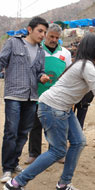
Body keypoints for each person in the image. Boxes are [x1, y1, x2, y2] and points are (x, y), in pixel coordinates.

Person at [3, 33, 95, 190]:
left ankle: (64, 183)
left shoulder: (88, 65)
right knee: (58, 151)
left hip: (62, 107)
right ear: (92, 48)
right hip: (53, 107)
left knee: (78, 142)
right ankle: (16, 183)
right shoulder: (86, 66)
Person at [0, 16, 49, 183]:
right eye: (40, 31)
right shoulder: (13, 43)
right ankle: (6, 168)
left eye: (44, 32)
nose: (43, 34)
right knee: (11, 132)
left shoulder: (41, 51)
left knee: (22, 133)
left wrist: (42, 76)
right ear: (30, 29)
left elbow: (39, 71)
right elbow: (1, 61)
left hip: (31, 97)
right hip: (14, 94)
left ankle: (13, 163)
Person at [25, 23, 72, 166]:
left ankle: (57, 152)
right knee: (35, 126)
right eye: (51, 36)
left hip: (57, 98)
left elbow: (69, 73)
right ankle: (34, 154)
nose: (54, 39)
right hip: (36, 94)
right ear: (45, 35)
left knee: (57, 126)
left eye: (57, 37)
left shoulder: (65, 53)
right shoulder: (36, 50)